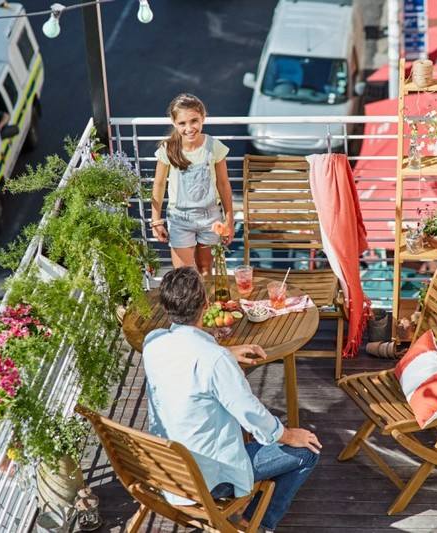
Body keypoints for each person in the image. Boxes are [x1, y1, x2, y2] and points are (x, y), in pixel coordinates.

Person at [142, 267, 320, 532]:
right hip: (210, 476)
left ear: (167, 308)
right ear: (205, 305)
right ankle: (256, 523)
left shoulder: (153, 342)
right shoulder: (214, 361)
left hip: (169, 470)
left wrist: (223, 352)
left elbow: (189, 357)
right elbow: (250, 414)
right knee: (306, 451)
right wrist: (289, 435)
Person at [151, 94, 234, 274]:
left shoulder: (214, 147)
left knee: (205, 270)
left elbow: (224, 184)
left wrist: (229, 220)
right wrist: (156, 220)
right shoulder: (169, 149)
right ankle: (187, 303)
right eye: (182, 123)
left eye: (194, 121)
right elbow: (158, 185)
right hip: (180, 219)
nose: (189, 128)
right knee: (183, 274)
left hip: (210, 218)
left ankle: (205, 303)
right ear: (174, 122)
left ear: (203, 117)